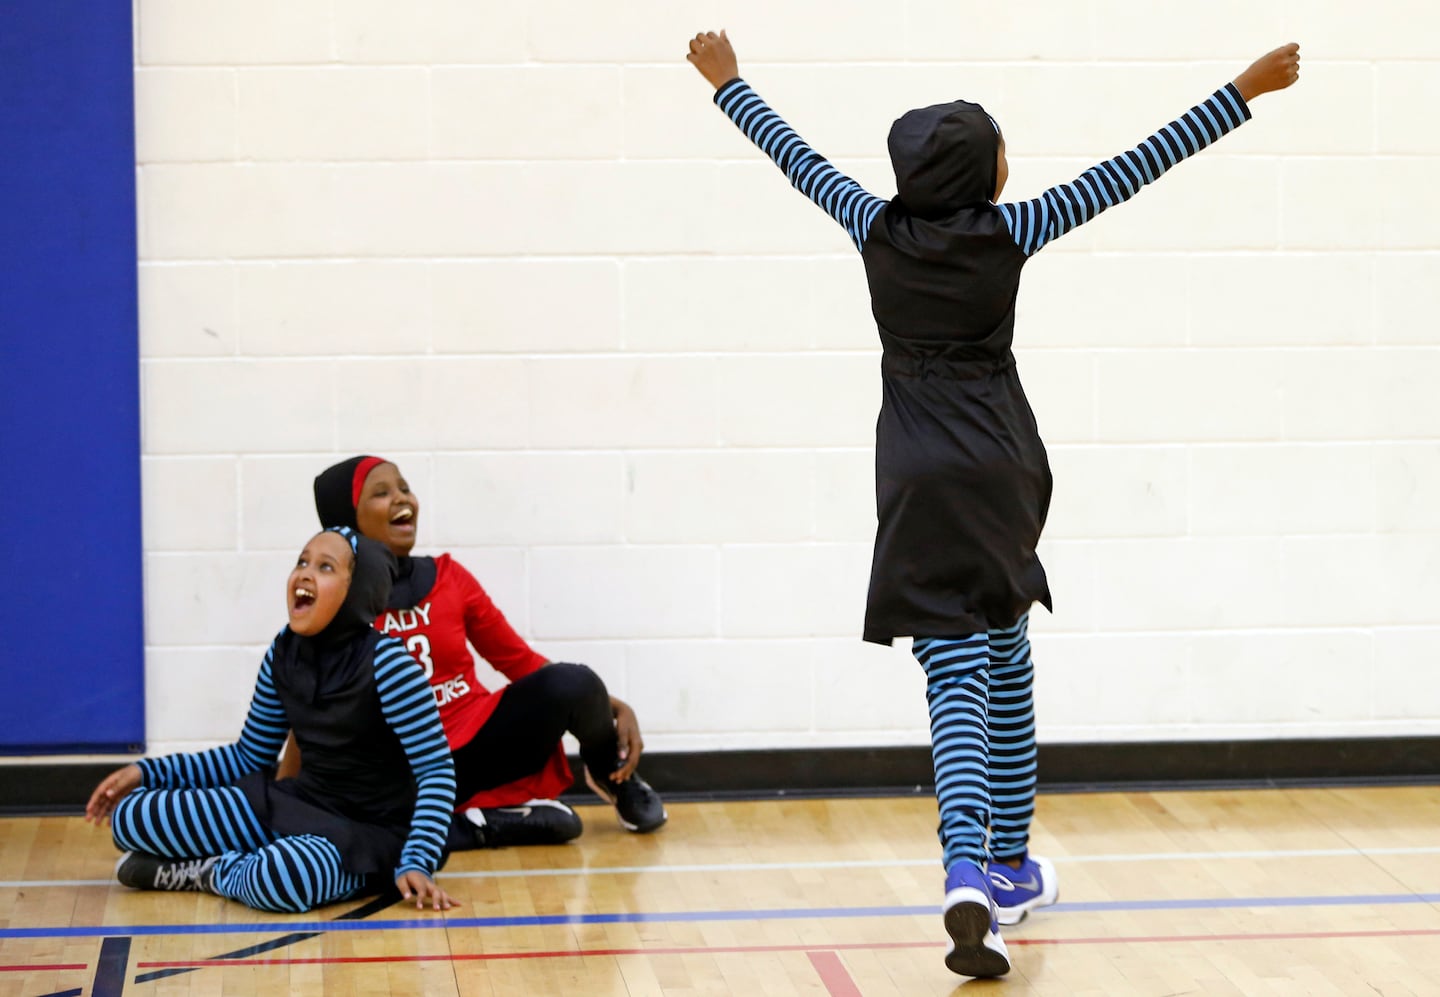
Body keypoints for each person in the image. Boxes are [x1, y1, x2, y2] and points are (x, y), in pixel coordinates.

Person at [686, 30, 1300, 977]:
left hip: (921, 475)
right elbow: (1134, 167)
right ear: (984, 174)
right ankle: (993, 863)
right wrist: (1241, 91)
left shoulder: (872, 226)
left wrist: (729, 84)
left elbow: (794, 157)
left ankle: (979, 866)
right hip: (1006, 471)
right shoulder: (1011, 229)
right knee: (1004, 654)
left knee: (957, 675)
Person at [298, 455, 666, 849]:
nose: (402, 498)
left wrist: (609, 707)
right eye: (381, 492)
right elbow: (306, 705)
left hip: (473, 745)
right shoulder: (332, 598)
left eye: (404, 488)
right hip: (399, 765)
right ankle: (477, 825)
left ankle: (612, 773)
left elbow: (518, 661)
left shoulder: (449, 577)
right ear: (347, 518)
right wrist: (291, 797)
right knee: (355, 808)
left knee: (575, 681)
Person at [86, 527, 459, 913]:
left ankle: (210, 872)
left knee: (283, 875)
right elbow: (248, 757)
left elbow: (437, 771)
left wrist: (418, 859)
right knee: (132, 816)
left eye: (325, 567)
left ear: (357, 590)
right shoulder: (284, 651)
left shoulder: (390, 665)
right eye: (302, 561)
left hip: (371, 832)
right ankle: (231, 861)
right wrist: (146, 773)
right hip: (297, 803)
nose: (304, 574)